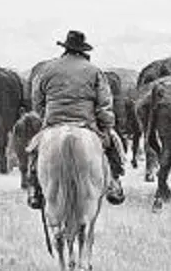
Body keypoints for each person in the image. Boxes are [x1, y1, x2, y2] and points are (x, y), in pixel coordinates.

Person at [26, 30, 125, 210]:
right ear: (82, 50)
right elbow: (104, 103)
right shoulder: (94, 71)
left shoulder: (46, 70)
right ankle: (113, 182)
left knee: (34, 149)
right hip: (86, 123)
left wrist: (46, 118)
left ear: (65, 48)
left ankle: (34, 187)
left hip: (53, 122)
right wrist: (106, 125)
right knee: (113, 145)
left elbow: (37, 100)